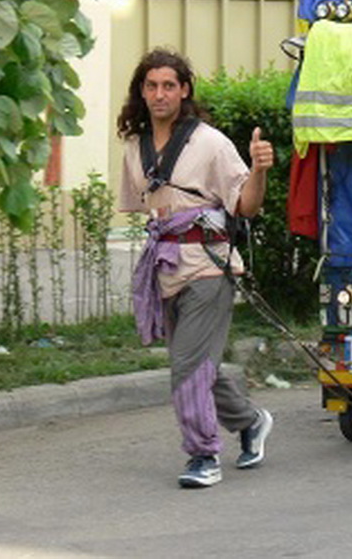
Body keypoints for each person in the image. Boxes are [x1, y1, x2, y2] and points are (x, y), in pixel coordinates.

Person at [117, 48, 274, 489]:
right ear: (141, 92)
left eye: (169, 85)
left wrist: (259, 170)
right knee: (197, 363)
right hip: (165, 270)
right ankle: (250, 422)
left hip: (208, 267)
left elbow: (246, 205)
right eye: (152, 86)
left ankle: (204, 455)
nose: (160, 94)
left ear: (184, 90)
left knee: (187, 365)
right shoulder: (134, 146)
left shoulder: (210, 142)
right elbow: (144, 208)